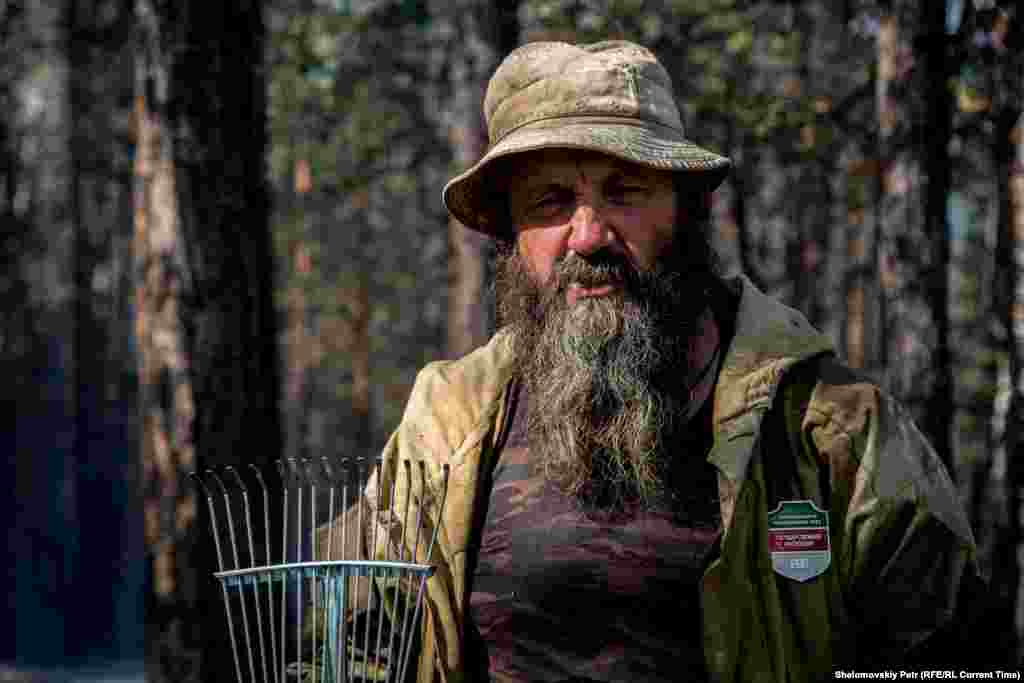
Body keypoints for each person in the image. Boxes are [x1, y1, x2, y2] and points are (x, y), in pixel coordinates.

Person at [319, 40, 988, 682]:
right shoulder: (450, 425)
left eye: (624, 190)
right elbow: (347, 624)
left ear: (685, 208)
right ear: (511, 236)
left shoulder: (827, 428)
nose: (589, 234)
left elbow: (962, 652)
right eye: (552, 202)